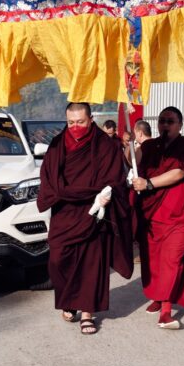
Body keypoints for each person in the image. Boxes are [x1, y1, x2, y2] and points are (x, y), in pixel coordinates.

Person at [37, 103, 133, 335]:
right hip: (65, 209)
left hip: (94, 208)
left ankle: (88, 312)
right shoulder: (58, 143)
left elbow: (114, 177)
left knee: (91, 261)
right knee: (59, 258)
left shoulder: (105, 145)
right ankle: (69, 298)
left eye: (80, 122)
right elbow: (47, 174)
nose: (76, 127)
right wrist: (56, 193)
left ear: (91, 119)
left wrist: (107, 194)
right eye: (71, 122)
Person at [133, 106, 184, 329]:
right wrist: (130, 148)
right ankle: (157, 296)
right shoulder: (149, 145)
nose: (165, 125)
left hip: (178, 214)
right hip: (152, 215)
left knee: (172, 260)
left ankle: (166, 311)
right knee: (154, 260)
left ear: (180, 125)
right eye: (162, 121)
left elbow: (180, 172)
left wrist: (149, 183)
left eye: (170, 121)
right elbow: (134, 164)